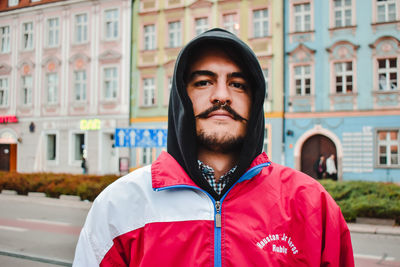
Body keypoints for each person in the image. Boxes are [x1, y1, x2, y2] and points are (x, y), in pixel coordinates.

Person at [73, 29, 354, 266]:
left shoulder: (310, 204)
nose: (222, 95)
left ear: (255, 100)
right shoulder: (120, 205)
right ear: (182, 97)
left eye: (238, 84)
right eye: (204, 82)